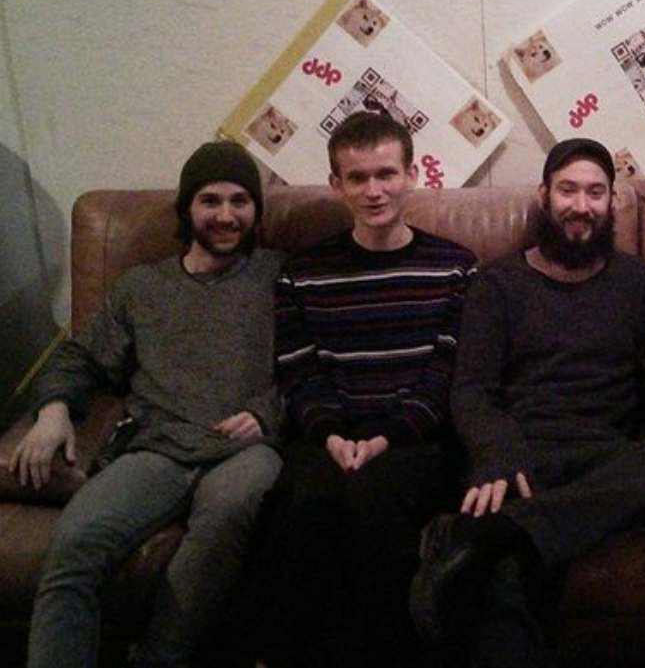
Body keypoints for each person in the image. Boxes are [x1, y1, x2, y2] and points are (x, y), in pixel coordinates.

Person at [409, 138, 645, 667]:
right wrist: (497, 455)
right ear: (544, 195)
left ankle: (503, 532)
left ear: (611, 201)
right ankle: (513, 536)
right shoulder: (498, 283)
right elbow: (472, 389)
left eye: (595, 193)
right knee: (504, 585)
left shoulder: (638, 281)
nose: (581, 205)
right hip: (524, 456)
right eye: (568, 190)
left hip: (608, 459)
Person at [9, 140, 284, 667]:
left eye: (240, 201)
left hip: (244, 451)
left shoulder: (279, 276)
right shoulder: (142, 286)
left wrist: (267, 412)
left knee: (231, 506)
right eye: (210, 200)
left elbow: (316, 363)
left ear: (256, 209)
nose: (226, 215)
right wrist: (54, 410)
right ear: (187, 208)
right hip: (156, 449)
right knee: (73, 545)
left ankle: (157, 658)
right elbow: (81, 356)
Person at [246, 111, 477, 668]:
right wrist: (329, 434)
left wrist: (387, 437)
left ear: (411, 175)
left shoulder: (456, 267)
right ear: (337, 185)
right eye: (358, 177)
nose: (374, 191)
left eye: (386, 174)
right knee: (303, 502)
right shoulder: (301, 271)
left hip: (419, 439)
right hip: (328, 434)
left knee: (371, 498)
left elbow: (449, 372)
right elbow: (298, 370)